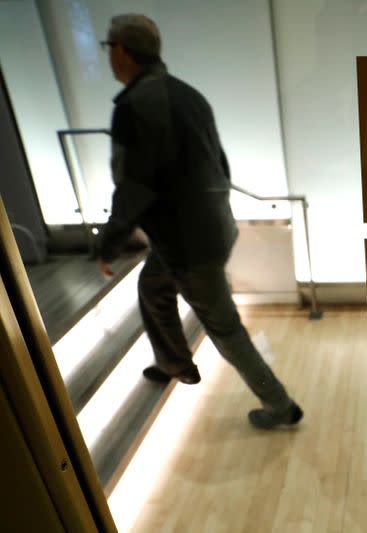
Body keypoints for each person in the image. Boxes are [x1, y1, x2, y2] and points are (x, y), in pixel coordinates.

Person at [95, 14, 302, 430]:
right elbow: (219, 164)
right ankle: (174, 362)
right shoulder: (188, 95)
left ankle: (280, 406)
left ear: (120, 51)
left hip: (187, 242)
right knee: (153, 286)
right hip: (211, 227)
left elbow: (133, 185)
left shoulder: (135, 106)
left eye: (108, 49)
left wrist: (109, 242)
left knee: (224, 327)